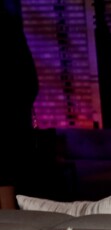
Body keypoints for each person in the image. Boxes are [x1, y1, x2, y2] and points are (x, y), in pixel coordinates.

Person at [0, 8, 38, 209]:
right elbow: (29, 82)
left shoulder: (8, 24)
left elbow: (28, 82)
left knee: (6, 183)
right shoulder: (9, 23)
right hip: (12, 120)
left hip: (9, 121)